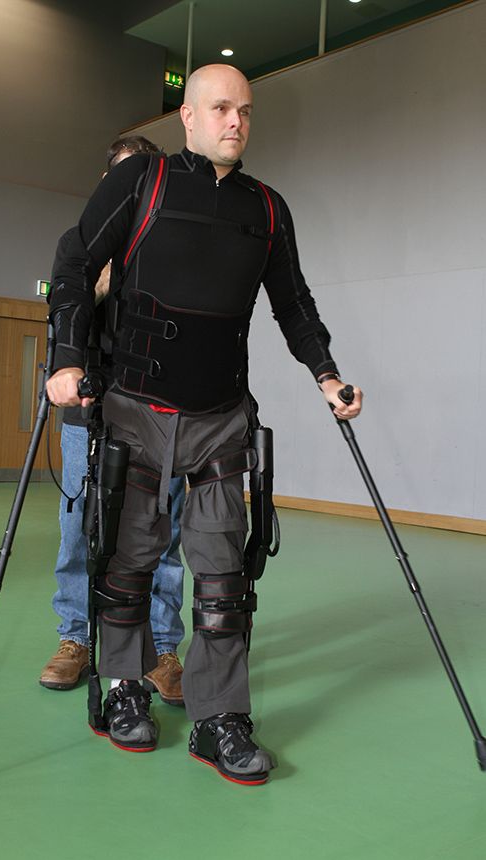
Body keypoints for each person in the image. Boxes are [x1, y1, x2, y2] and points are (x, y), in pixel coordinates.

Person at [46, 65, 363, 784]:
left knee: (223, 581)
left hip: (220, 418)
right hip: (134, 409)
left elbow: (293, 303)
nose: (235, 122)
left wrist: (326, 374)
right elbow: (74, 262)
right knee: (127, 562)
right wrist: (66, 358)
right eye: (220, 108)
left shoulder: (267, 208)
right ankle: (123, 688)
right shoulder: (142, 181)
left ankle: (219, 718)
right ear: (186, 116)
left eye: (245, 111)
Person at [40, 136, 186, 706]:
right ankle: (76, 638)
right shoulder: (79, 245)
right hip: (89, 412)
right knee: (78, 528)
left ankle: (163, 648)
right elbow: (62, 310)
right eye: (124, 178)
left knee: (162, 530)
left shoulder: (168, 248)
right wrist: (98, 284)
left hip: (158, 411)